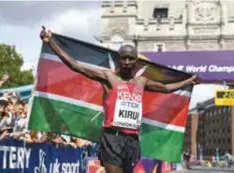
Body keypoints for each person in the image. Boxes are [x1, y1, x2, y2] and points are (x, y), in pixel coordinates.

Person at [40, 27, 198, 173]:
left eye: (131, 59)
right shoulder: (109, 78)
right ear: (118, 60)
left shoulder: (141, 82)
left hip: (132, 141)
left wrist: (188, 82)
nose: (127, 62)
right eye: (124, 58)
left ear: (136, 62)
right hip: (112, 138)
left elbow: (165, 88)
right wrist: (51, 43)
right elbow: (75, 65)